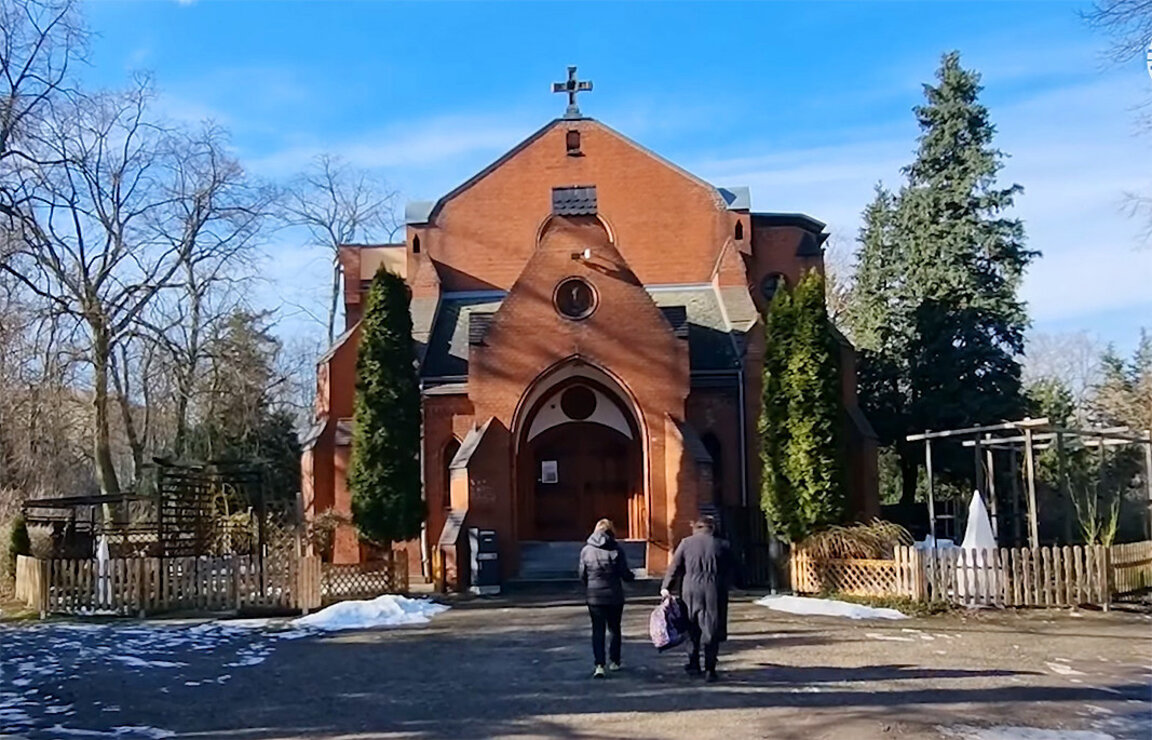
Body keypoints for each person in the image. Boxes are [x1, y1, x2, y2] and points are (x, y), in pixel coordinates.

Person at [660, 515, 737, 682]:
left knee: (691, 626)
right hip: (713, 589)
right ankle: (710, 669)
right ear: (712, 528)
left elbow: (675, 566)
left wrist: (666, 587)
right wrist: (727, 584)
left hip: (690, 588)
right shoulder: (722, 544)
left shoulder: (686, 543)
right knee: (711, 627)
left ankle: (693, 663)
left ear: (697, 527)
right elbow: (733, 568)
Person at [578, 518, 635, 678]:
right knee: (614, 629)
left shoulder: (586, 550)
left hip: (594, 596)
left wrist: (589, 586)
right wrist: (631, 577)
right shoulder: (616, 549)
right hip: (614, 595)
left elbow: (582, 574)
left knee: (598, 630)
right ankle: (615, 661)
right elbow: (625, 573)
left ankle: (599, 665)